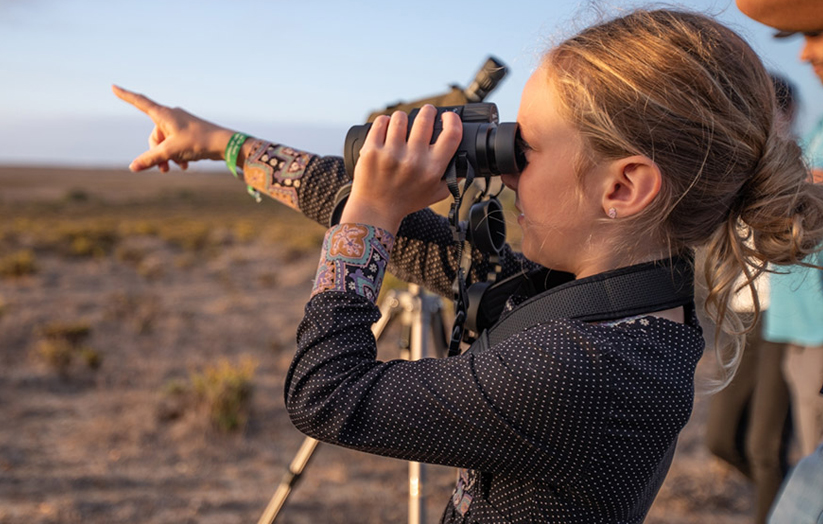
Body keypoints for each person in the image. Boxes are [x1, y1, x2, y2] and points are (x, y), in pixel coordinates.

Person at [115, 9, 823, 523]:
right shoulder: (610, 299)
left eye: (525, 149)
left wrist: (371, 215)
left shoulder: (590, 370)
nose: (505, 171)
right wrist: (221, 144)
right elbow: (409, 235)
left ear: (622, 187)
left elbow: (326, 395)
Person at [704, 74, 798, 524]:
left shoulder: (800, 166)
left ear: (786, 113)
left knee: (765, 447)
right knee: (721, 440)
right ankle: (794, 502)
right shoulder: (741, 163)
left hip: (788, 317)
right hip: (743, 315)